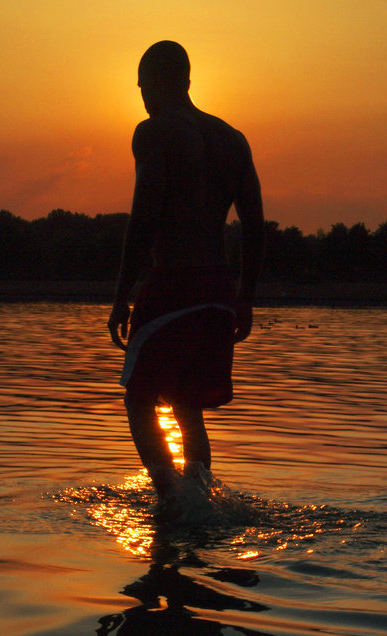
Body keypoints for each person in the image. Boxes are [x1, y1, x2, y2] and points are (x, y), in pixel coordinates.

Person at [108, 40, 264, 506]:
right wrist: (244, 296)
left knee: (138, 401)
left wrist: (121, 294)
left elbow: (144, 216)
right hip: (217, 289)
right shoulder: (233, 139)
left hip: (172, 284)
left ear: (158, 80)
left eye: (142, 85)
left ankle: (172, 503)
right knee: (187, 409)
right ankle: (201, 502)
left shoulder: (155, 132)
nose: (141, 96)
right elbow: (254, 226)